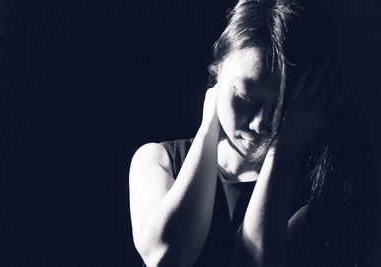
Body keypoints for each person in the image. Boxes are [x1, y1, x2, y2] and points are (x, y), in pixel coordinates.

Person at [129, 0, 377, 266]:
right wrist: (208, 127)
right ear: (217, 72)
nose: (260, 123)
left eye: (281, 106)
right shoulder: (157, 159)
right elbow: (167, 258)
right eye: (246, 96)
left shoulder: (322, 191)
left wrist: (284, 152)